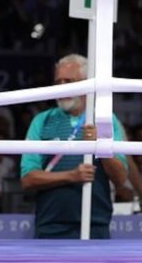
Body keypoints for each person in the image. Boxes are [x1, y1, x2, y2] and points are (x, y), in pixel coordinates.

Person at [21, 54, 128, 239]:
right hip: (50, 225)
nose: (62, 87)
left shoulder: (105, 120)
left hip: (96, 223)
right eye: (58, 82)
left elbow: (120, 178)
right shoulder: (42, 121)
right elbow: (28, 179)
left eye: (69, 81)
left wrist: (100, 145)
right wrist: (71, 176)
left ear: (86, 84)